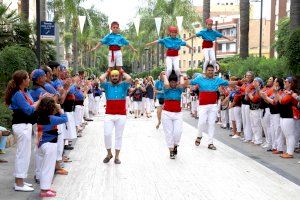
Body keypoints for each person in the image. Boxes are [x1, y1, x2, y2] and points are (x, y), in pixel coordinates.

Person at [4, 70, 41, 191]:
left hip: (25, 125)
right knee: (22, 155)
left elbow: (31, 106)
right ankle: (19, 183)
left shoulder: (23, 92)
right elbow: (29, 110)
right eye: (27, 78)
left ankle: (20, 181)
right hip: (21, 125)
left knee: (24, 154)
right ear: (22, 81)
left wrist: (39, 100)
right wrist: (39, 102)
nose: (29, 80)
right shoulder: (18, 94)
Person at [189, 65, 239, 150]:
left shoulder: (217, 79)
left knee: (211, 124)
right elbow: (191, 82)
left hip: (213, 105)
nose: (211, 72)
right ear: (206, 71)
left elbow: (228, 83)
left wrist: (240, 82)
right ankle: (199, 135)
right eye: (209, 70)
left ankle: (210, 143)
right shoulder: (200, 78)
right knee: (201, 122)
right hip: (203, 105)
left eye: (212, 70)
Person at [36, 97, 68, 197]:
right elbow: (65, 118)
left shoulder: (39, 116)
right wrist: (60, 109)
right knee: (48, 168)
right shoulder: (51, 119)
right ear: (51, 107)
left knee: (43, 167)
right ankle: (44, 190)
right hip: (50, 144)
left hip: (42, 144)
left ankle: (45, 187)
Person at [99, 69, 131, 164]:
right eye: (112, 76)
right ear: (110, 77)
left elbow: (129, 78)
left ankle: (117, 157)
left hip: (121, 115)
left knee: (118, 136)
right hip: (109, 114)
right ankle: (109, 154)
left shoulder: (124, 85)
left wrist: (122, 71)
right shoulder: (107, 85)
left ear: (119, 77)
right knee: (107, 134)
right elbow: (101, 78)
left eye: (116, 76)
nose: (114, 77)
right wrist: (108, 71)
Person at [161, 71, 186, 159]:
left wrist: (181, 75)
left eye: (174, 82)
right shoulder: (166, 89)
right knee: (169, 132)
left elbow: (182, 84)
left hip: (178, 114)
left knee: (178, 132)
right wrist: (164, 76)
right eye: (171, 82)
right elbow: (167, 84)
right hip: (167, 114)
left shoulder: (179, 90)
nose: (173, 84)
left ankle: (175, 145)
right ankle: (171, 150)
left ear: (176, 82)